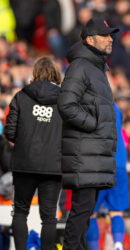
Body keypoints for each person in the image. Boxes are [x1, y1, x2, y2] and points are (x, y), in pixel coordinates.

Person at [57, 18, 119, 249]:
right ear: (90, 40)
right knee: (81, 213)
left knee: (84, 214)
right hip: (85, 152)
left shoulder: (95, 67)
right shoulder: (81, 66)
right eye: (105, 35)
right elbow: (66, 104)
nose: (111, 38)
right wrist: (93, 124)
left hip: (92, 153)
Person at [4, 57, 63, 250]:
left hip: (24, 163)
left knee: (20, 212)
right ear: (56, 74)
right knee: (49, 217)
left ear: (35, 73)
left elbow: (9, 131)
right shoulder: (65, 99)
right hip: (53, 165)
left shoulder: (21, 96)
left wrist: (24, 144)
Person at [86, 103, 129, 250]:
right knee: (116, 211)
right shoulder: (115, 106)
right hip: (120, 162)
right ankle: (118, 245)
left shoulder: (90, 105)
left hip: (100, 164)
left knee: (90, 213)